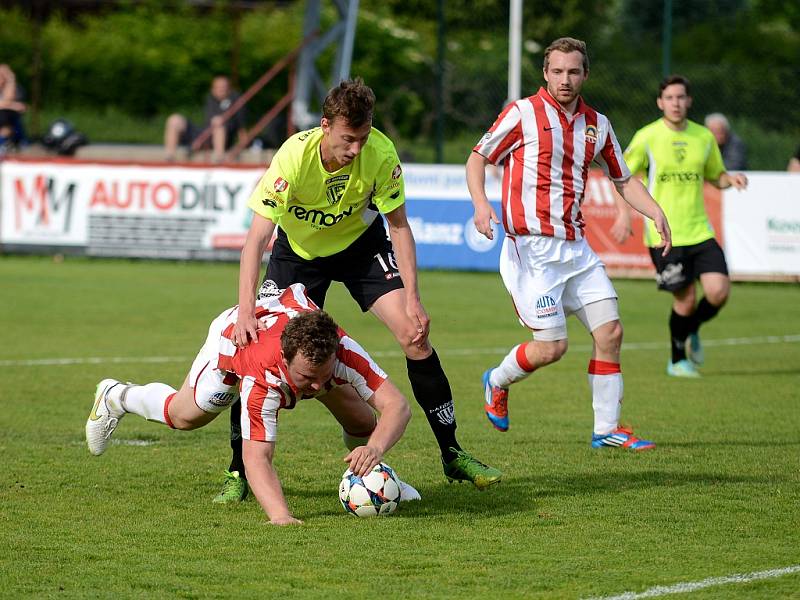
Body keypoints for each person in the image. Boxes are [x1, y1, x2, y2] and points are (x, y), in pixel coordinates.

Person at [215, 77, 502, 503]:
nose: (355, 149)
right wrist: (245, 311)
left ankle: (453, 453)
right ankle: (238, 470)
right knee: (257, 348)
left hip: (361, 248)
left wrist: (414, 298)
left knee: (414, 335)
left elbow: (400, 227)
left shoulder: (381, 154)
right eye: (348, 139)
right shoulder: (294, 156)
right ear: (325, 125)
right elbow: (256, 240)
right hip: (298, 256)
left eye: (363, 138)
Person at [465, 37, 671, 449]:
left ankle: (607, 429)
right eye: (557, 71)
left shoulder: (598, 124)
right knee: (552, 348)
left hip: (576, 248)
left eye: (573, 71)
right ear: (545, 73)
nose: (565, 79)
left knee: (610, 331)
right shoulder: (522, 113)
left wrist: (655, 211)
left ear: (585, 75)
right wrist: (480, 204)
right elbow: (478, 158)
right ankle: (497, 381)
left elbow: (623, 179)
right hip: (533, 251)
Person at [85, 282, 419, 525]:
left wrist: (374, 449)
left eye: (324, 374)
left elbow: (397, 406)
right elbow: (257, 456)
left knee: (364, 425)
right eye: (307, 379)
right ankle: (117, 396)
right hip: (233, 344)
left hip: (289, 329)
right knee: (185, 416)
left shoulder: (340, 350)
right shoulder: (262, 379)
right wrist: (281, 516)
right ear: (287, 362)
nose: (317, 387)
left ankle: (376, 480)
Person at [617, 75, 748, 378]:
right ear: (660, 102)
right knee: (685, 298)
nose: (675, 103)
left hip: (700, 230)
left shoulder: (703, 137)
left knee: (719, 292)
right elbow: (621, 176)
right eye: (670, 98)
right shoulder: (647, 136)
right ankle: (677, 360)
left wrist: (732, 179)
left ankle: (693, 329)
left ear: (689, 101)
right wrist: (624, 215)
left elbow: (717, 175)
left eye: (681, 97)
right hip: (664, 235)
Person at [163, 75, 246, 163]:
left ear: (229, 88)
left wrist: (240, 147)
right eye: (217, 87)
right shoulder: (209, 98)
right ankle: (169, 157)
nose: (221, 89)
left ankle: (219, 160)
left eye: (223, 87)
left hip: (223, 138)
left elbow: (242, 129)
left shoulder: (236, 101)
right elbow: (208, 123)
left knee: (218, 124)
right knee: (174, 119)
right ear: (213, 89)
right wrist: (200, 139)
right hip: (205, 134)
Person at [0, 64, 27, 153]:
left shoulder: (17, 89)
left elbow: (8, 99)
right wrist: (13, 105)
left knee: (5, 114)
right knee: (3, 114)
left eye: (3, 76)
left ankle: (4, 142)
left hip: (8, 120)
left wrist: (11, 80)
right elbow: (7, 103)